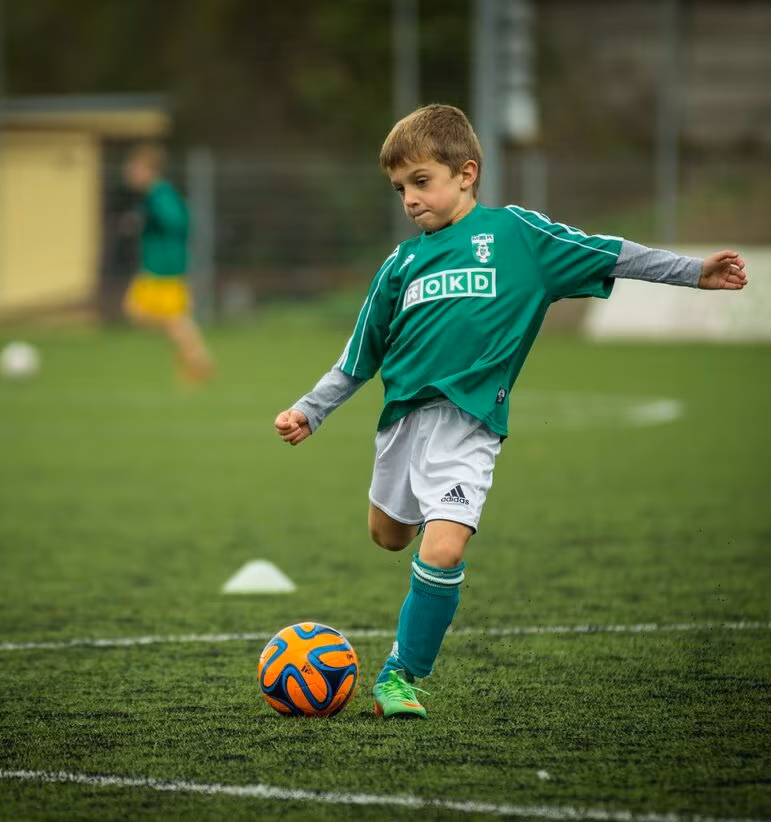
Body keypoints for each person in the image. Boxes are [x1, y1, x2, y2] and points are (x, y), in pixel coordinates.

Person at [273, 104, 747, 720]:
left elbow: (609, 253)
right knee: (388, 536)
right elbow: (358, 356)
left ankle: (401, 675)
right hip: (402, 426)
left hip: (470, 426)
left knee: (442, 551)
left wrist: (693, 272)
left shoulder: (519, 236)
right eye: (399, 189)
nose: (410, 199)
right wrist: (311, 412)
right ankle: (428, 531)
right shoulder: (400, 265)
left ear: (466, 173)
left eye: (422, 181)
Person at [122, 142, 213, 382]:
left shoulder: (158, 194)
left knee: (156, 315)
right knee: (160, 317)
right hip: (158, 266)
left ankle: (197, 359)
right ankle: (195, 357)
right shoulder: (155, 195)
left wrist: (149, 223)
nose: (130, 172)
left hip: (164, 267)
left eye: (135, 167)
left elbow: (177, 221)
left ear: (149, 169)